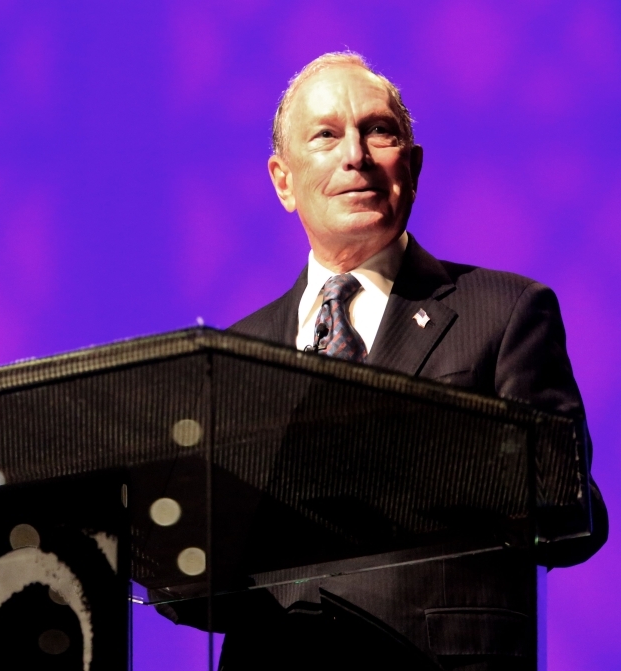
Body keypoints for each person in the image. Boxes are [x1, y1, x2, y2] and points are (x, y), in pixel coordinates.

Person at [218, 52, 609, 669]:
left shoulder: (507, 312)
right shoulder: (234, 356)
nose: (355, 155)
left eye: (379, 131)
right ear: (283, 180)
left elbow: (571, 516)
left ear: (414, 165)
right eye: (325, 135)